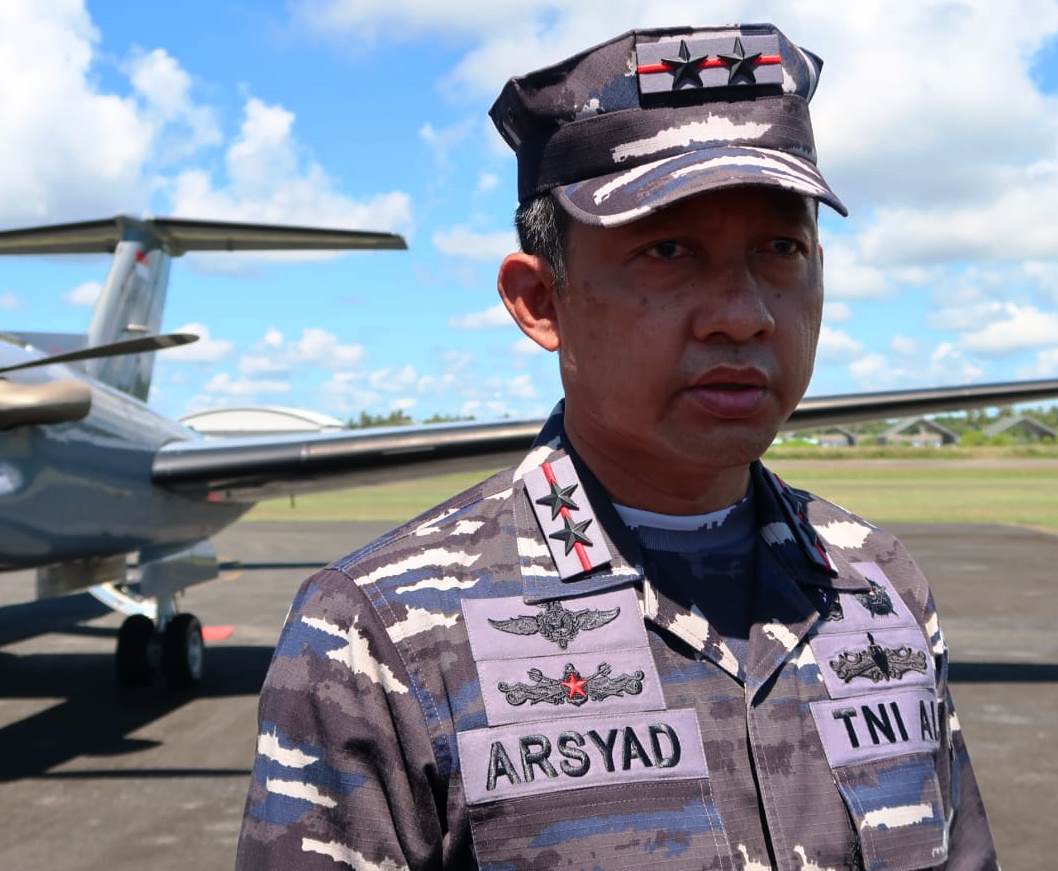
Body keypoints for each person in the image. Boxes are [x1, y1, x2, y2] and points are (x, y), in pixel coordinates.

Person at [236, 23, 997, 870]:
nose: (743, 314)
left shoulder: (880, 585)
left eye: (781, 248)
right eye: (668, 250)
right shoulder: (382, 633)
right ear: (541, 301)